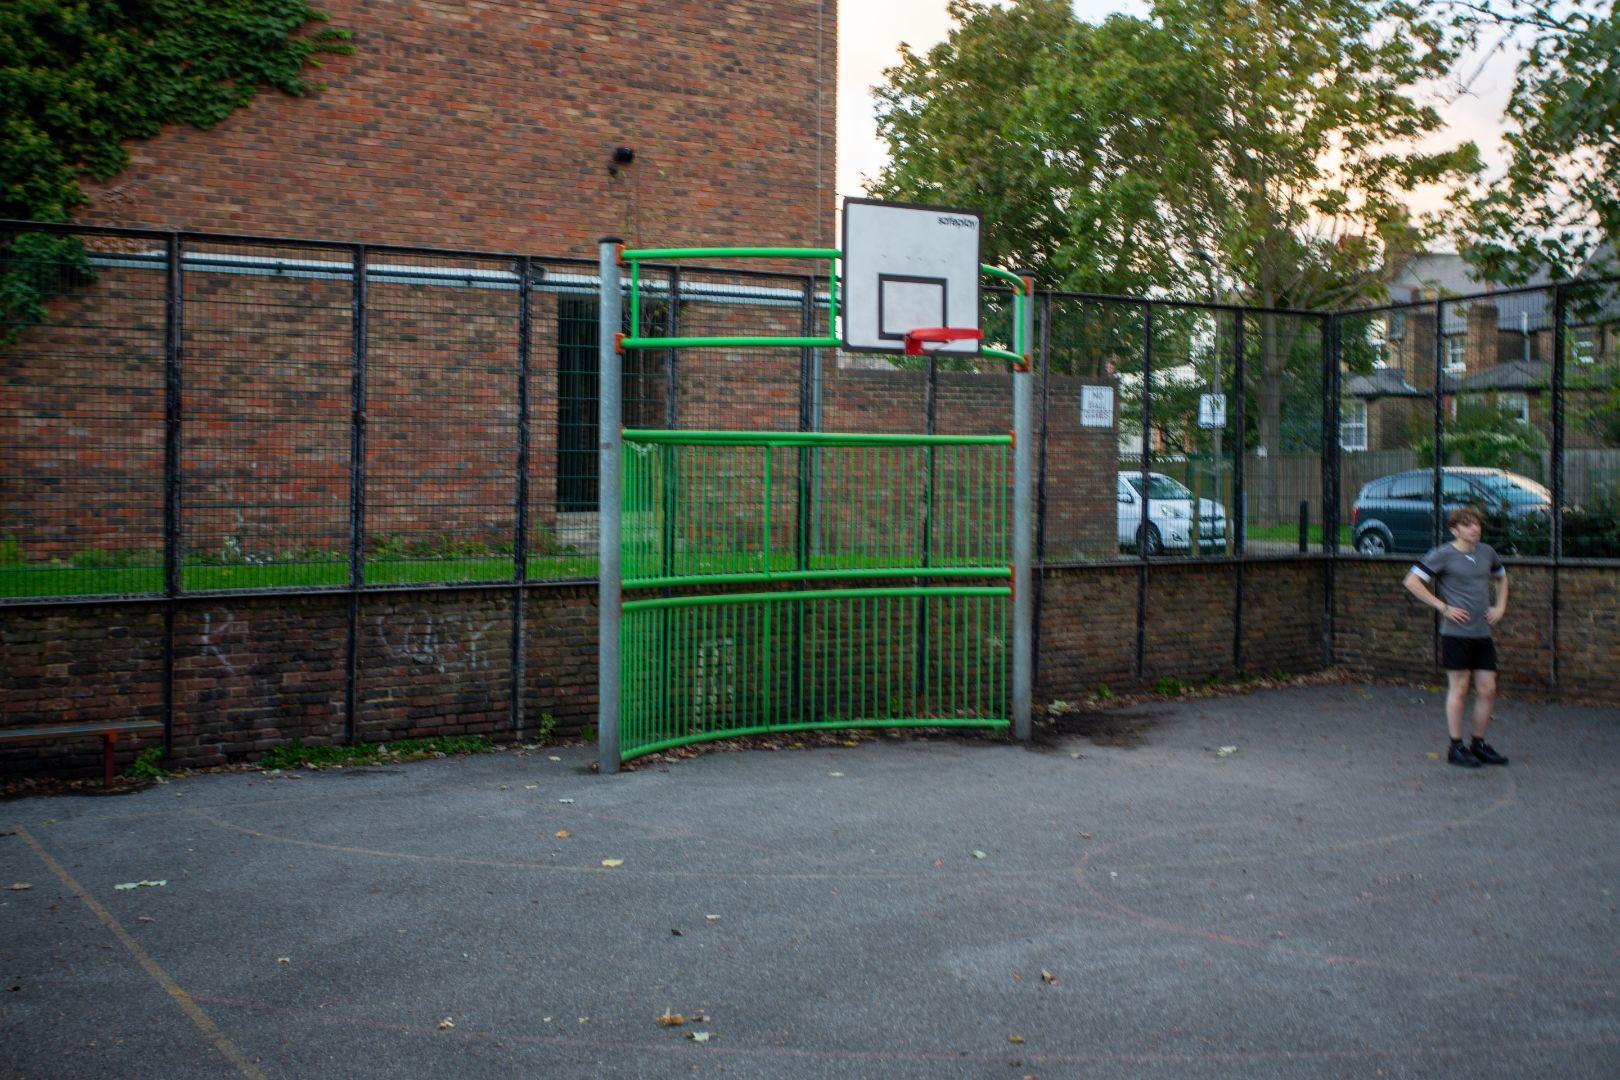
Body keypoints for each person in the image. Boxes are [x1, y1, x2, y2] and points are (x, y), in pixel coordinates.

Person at [1402, 506, 1510, 768]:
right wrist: (1443, 607)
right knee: (1459, 688)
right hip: (1455, 634)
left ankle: (1478, 744)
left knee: (1488, 689)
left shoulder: (1487, 553)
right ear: (1455, 530)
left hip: (1481, 633)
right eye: (1468, 524)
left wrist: (1500, 607)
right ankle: (1456, 747)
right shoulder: (1443, 554)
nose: (1475, 528)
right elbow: (1411, 581)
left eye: (1477, 524)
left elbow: (1502, 577)